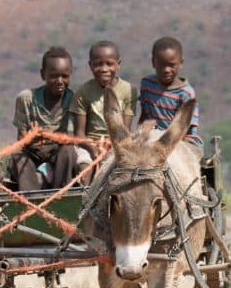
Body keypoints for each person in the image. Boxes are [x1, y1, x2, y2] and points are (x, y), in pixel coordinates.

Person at [9, 46, 81, 190]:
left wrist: (45, 135)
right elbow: (21, 140)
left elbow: (70, 138)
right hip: (32, 150)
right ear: (43, 74)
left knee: (68, 152)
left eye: (65, 76)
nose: (60, 81)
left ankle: (59, 195)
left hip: (58, 151)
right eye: (54, 76)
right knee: (18, 157)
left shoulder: (73, 100)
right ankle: (31, 201)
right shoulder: (26, 99)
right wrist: (30, 138)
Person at [70, 40, 138, 155]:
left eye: (109, 64)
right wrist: (91, 148)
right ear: (90, 65)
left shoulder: (129, 90)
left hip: (118, 144)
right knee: (84, 165)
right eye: (98, 64)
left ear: (118, 64)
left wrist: (116, 147)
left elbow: (126, 129)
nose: (104, 69)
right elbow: (79, 133)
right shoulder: (83, 92)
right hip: (89, 144)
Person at [138, 36, 202, 150]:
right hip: (152, 135)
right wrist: (141, 132)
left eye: (171, 65)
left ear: (181, 63)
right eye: (162, 65)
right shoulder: (147, 84)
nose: (166, 70)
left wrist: (167, 140)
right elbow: (144, 114)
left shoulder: (186, 93)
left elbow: (186, 128)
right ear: (153, 63)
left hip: (181, 137)